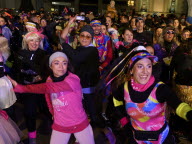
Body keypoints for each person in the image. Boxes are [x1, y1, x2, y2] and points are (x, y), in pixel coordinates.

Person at [98, 46, 192, 143]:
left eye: (149, 66)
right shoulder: (124, 88)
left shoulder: (160, 88)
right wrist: (124, 121)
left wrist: (189, 114)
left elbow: (179, 106)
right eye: (140, 66)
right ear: (131, 70)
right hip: (136, 138)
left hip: (161, 139)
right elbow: (116, 100)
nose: (145, 71)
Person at [8, 51, 95, 144]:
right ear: (50, 66)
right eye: (56, 63)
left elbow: (49, 88)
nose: (61, 67)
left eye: (64, 63)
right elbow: (48, 97)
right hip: (60, 124)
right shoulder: (49, 79)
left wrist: (23, 88)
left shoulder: (73, 79)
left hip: (78, 122)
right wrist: (52, 112)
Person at [9, 32, 50, 144]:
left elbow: (47, 71)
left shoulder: (43, 54)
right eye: (32, 40)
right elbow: (13, 69)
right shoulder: (19, 53)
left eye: (37, 41)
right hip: (27, 89)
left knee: (47, 110)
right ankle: (32, 138)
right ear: (26, 42)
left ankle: (57, 130)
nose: (34, 43)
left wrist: (41, 76)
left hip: (41, 88)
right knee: (30, 113)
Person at [61, 25, 100, 126]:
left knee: (89, 108)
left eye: (88, 36)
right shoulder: (80, 48)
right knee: (82, 107)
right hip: (80, 83)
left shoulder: (92, 50)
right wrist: (69, 23)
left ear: (91, 38)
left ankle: (91, 130)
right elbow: (62, 37)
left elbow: (75, 57)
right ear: (78, 37)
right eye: (82, 35)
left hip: (88, 85)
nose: (84, 38)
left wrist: (63, 44)